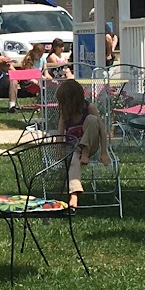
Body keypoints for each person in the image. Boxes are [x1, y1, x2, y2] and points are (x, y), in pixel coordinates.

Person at [53, 76, 110, 208]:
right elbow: (60, 134)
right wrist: (58, 153)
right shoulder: (65, 114)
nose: (61, 106)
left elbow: (102, 131)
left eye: (63, 102)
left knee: (92, 120)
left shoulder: (89, 108)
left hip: (91, 145)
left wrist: (104, 153)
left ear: (73, 100)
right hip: (73, 148)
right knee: (73, 160)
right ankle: (74, 194)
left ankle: (85, 151)